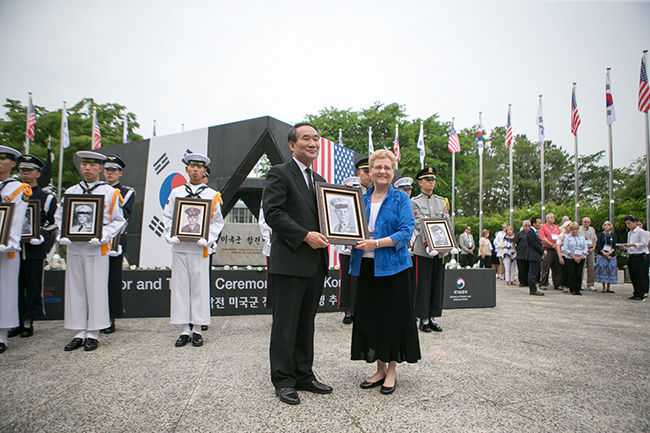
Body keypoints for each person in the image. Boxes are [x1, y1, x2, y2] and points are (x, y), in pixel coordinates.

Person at [262, 123, 332, 405]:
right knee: (285, 325)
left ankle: (304, 374)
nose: (313, 143)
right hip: (289, 262)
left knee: (306, 323)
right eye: (306, 138)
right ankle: (283, 380)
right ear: (292, 145)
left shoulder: (320, 179)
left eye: (316, 139)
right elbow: (273, 213)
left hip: (315, 263)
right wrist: (304, 236)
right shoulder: (280, 173)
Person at [349, 149, 419, 395]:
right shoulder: (361, 198)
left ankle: (391, 371)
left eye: (387, 167)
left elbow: (405, 231)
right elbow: (349, 225)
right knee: (371, 318)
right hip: (366, 266)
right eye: (377, 167)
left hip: (393, 269)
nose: (382, 171)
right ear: (369, 170)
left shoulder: (400, 199)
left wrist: (375, 243)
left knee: (391, 319)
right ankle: (378, 369)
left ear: (393, 171)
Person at [54, 151, 125, 352]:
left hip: (96, 248)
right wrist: (63, 233)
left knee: (96, 289)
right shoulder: (71, 191)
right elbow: (59, 216)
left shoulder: (109, 192)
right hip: (75, 247)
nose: (87, 168)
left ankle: (93, 332)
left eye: (92, 165)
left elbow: (118, 220)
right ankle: (78, 331)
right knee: (75, 289)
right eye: (84, 165)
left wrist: (103, 236)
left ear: (100, 169)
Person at [163, 153, 224, 348]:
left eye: (199, 167)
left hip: (200, 249)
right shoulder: (176, 193)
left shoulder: (212, 195)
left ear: (205, 170)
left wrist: (209, 239)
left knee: (199, 288)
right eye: (192, 166)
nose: (195, 170)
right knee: (180, 288)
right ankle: (183, 330)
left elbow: (216, 222)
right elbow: (168, 216)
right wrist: (169, 234)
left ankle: (197, 329)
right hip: (180, 246)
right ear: (186, 169)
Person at [7, 155, 57, 340]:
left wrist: (41, 235)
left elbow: (54, 222)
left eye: (29, 170)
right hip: (12, 248)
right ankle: (16, 320)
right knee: (14, 286)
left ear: (37, 173)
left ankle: (29, 320)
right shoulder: (13, 194)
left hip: (34, 249)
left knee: (33, 286)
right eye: (22, 170)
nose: (25, 174)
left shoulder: (45, 197)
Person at [411, 166, 457, 333]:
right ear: (420, 182)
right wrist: (429, 242)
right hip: (423, 250)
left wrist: (451, 244)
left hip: (440, 250)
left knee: (437, 284)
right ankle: (422, 318)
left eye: (433, 180)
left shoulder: (441, 201)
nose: (431, 182)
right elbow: (417, 222)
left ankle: (433, 316)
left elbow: (447, 223)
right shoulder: (414, 201)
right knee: (422, 284)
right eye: (428, 180)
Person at [0, 146, 32, 354]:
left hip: (6, 248)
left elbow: (17, 219)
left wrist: (8, 242)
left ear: (13, 164)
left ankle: (2, 334)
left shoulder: (18, 189)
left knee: (5, 290)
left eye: (3, 159)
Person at [101, 155, 135, 334]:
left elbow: (124, 217)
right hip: (94, 241)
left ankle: (110, 317)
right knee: (95, 279)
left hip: (116, 241)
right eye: (107, 170)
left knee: (112, 279)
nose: (109, 173)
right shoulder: (96, 191)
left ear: (120, 173)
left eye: (113, 170)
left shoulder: (126, 192)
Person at [621, 215, 649, 301]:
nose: (628, 225)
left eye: (629, 223)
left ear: (635, 222)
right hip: (631, 254)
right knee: (632, 275)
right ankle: (636, 292)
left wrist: (633, 244)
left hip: (639, 255)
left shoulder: (641, 232)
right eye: (627, 224)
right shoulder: (629, 233)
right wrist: (626, 247)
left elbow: (644, 243)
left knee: (639, 275)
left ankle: (641, 293)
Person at [561, 222, 588, 295]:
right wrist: (574, 257)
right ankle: (572, 288)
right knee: (572, 273)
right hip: (570, 258)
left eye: (576, 229)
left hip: (581, 257)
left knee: (579, 273)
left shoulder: (581, 238)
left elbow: (585, 248)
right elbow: (566, 249)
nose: (574, 231)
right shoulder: (567, 238)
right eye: (573, 229)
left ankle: (578, 288)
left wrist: (581, 256)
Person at [539, 213, 562, 290]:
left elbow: (559, 236)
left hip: (556, 249)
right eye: (551, 217)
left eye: (553, 217)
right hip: (548, 248)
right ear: (547, 219)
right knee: (545, 266)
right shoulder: (543, 227)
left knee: (557, 267)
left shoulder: (556, 227)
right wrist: (552, 244)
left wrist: (558, 244)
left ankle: (557, 284)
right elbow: (542, 238)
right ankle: (543, 283)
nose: (553, 218)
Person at [526, 216, 547, 296]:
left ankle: (533, 288)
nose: (540, 224)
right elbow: (534, 244)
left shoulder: (535, 232)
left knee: (535, 272)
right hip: (533, 255)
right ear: (534, 223)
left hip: (536, 255)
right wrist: (543, 251)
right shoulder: (530, 232)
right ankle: (532, 289)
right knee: (533, 273)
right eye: (538, 223)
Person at [595, 220, 617, 293]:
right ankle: (603, 287)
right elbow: (598, 245)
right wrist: (604, 253)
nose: (606, 226)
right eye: (605, 225)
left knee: (610, 270)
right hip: (602, 255)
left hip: (611, 255)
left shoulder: (613, 235)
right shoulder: (600, 235)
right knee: (603, 270)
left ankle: (608, 287)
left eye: (608, 225)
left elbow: (614, 245)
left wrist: (610, 253)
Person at [578, 217, 597, 291]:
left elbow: (595, 239)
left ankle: (590, 284)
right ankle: (580, 284)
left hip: (591, 250)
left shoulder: (592, 229)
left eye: (588, 222)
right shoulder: (579, 229)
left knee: (591, 266)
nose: (587, 223)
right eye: (585, 222)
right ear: (582, 222)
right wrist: (585, 249)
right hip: (582, 250)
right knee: (581, 267)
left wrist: (593, 248)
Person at [512, 221, 530, 287]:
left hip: (529, 254)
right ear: (523, 226)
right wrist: (516, 249)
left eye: (529, 225)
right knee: (522, 269)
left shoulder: (531, 233)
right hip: (521, 254)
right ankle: (522, 282)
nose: (527, 227)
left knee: (528, 268)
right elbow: (513, 243)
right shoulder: (519, 234)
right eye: (526, 225)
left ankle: (527, 282)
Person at [557, 221, 571, 293]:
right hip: (564, 254)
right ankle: (564, 285)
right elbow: (558, 246)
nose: (569, 227)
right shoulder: (561, 235)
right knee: (564, 271)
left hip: (572, 255)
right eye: (568, 225)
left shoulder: (574, 235)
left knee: (571, 271)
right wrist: (560, 257)